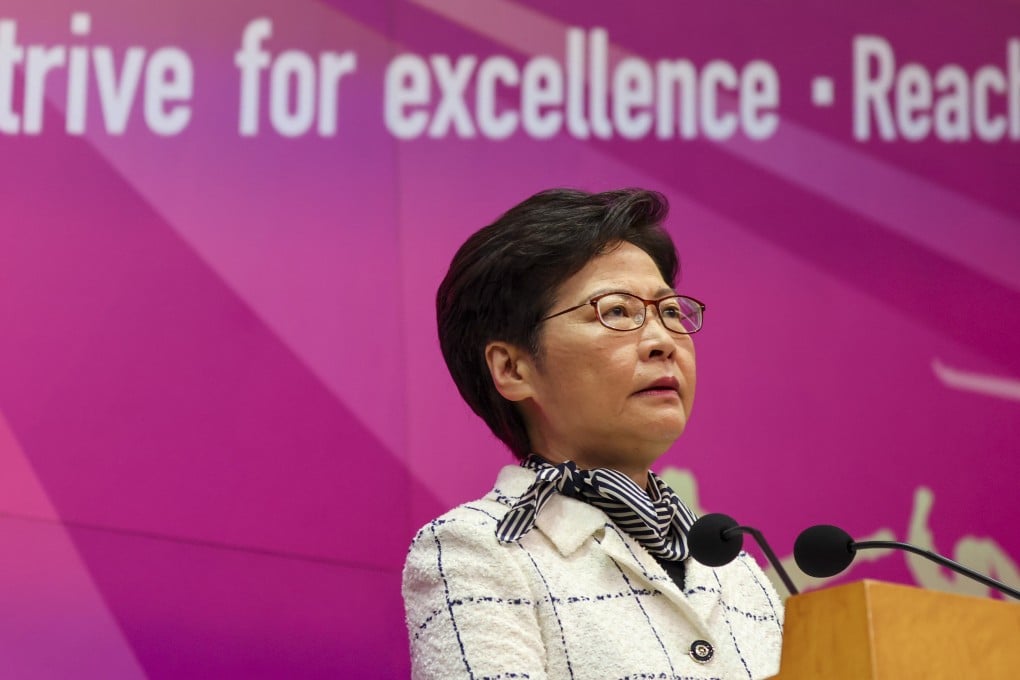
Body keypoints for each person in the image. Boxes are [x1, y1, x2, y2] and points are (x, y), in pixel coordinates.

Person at [402, 188, 783, 679]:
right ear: (513, 368)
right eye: (617, 311)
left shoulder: (740, 572)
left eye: (670, 312)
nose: (663, 342)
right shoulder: (475, 549)